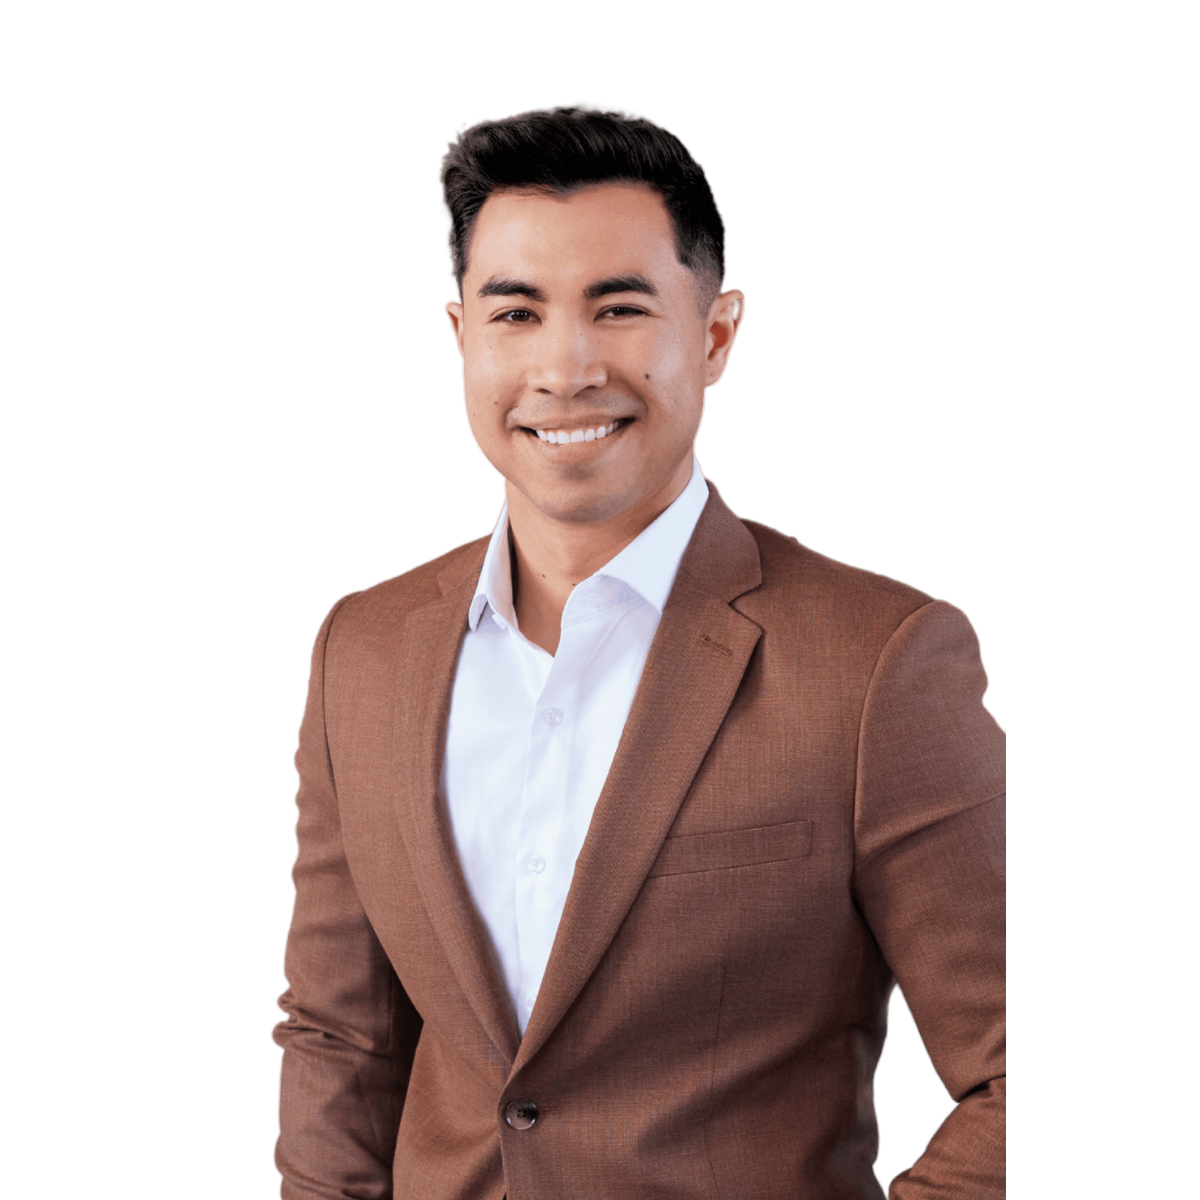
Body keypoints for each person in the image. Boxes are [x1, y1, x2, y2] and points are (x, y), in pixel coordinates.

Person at [274, 107, 1005, 1200]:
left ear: (714, 336)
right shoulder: (364, 654)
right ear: (462, 336)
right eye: (515, 312)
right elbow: (342, 1046)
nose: (564, 368)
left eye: (618, 308)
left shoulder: (874, 663)